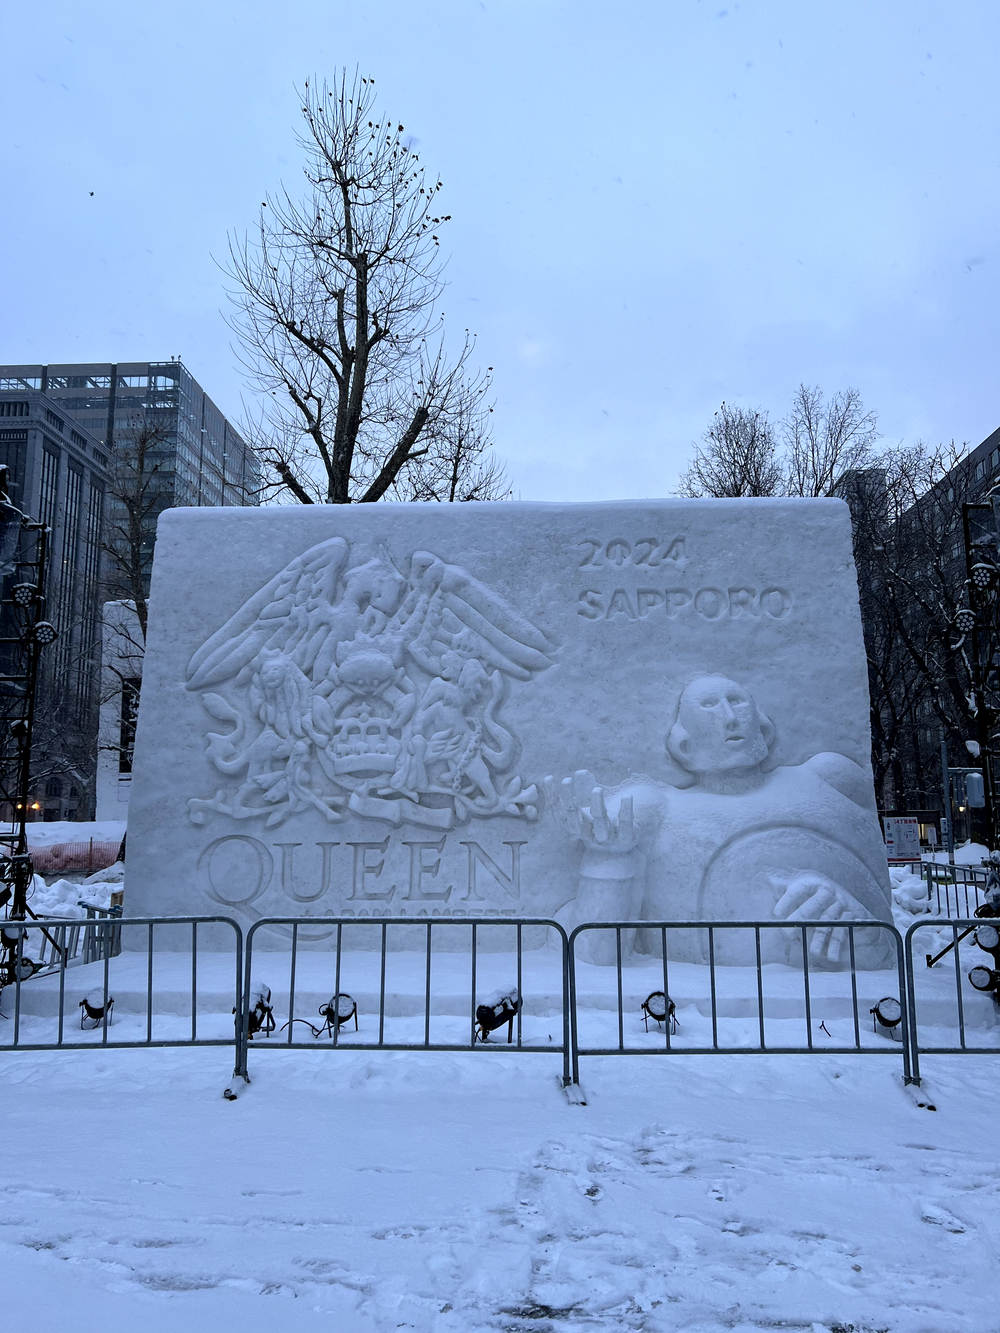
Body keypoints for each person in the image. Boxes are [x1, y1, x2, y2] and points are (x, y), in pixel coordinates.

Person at [552, 675, 893, 968]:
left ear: (763, 725)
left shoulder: (829, 779)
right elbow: (595, 958)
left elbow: (879, 903)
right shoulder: (654, 811)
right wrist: (608, 860)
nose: (730, 718)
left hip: (826, 1001)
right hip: (702, 1005)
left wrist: (868, 937)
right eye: (710, 706)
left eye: (737, 702)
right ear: (683, 743)